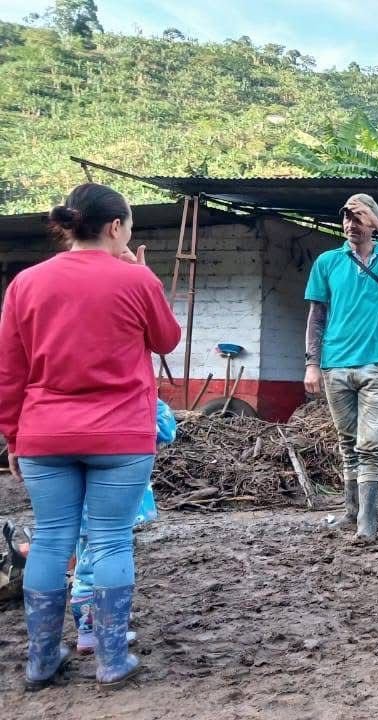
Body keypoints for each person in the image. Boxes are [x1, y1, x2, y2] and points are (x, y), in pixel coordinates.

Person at [0, 183, 181, 690]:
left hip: (43, 435)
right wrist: (141, 273)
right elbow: (167, 340)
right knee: (110, 541)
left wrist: (14, 437)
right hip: (120, 437)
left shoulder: (26, 283)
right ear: (116, 228)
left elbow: (9, 372)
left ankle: (40, 661)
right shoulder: (134, 280)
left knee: (53, 539)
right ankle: (111, 659)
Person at [304, 194, 378, 542]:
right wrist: (312, 364)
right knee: (347, 443)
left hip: (377, 365)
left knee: (370, 444)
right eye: (346, 218)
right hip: (335, 366)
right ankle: (350, 512)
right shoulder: (328, 262)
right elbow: (316, 318)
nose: (349, 225)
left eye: (357, 219)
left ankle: (367, 523)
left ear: (371, 223)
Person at [69, 398, 175, 655]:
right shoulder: (131, 386)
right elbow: (166, 425)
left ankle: (93, 627)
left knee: (84, 564)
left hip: (70, 494)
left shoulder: (62, 395)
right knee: (108, 559)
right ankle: (104, 629)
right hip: (113, 494)